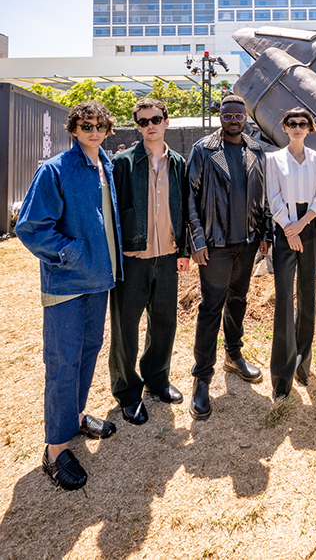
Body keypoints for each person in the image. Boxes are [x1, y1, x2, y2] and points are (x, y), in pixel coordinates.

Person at [15, 100, 122, 491]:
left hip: (98, 280)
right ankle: (55, 449)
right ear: (74, 129)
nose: (94, 131)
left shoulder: (106, 165)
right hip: (66, 283)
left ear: (108, 130)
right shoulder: (55, 169)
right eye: (86, 125)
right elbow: (31, 227)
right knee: (63, 362)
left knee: (88, 351)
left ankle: (75, 419)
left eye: (100, 125)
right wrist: (71, 254)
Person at [186, 95, 272, 420]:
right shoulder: (204, 150)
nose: (233, 120)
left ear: (246, 118)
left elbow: (264, 195)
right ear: (220, 117)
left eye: (238, 115)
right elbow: (190, 197)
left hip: (246, 242)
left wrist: (265, 233)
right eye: (227, 115)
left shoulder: (256, 150)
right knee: (211, 308)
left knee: (238, 300)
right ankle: (201, 378)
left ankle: (233, 356)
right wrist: (197, 240)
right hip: (215, 244)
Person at [109, 98, 189, 426]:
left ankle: (157, 379)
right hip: (133, 259)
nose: (150, 125)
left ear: (166, 121)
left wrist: (184, 251)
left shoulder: (179, 163)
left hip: (168, 256)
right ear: (137, 126)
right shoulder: (123, 163)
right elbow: (112, 212)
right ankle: (128, 392)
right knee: (125, 327)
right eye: (143, 121)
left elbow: (185, 208)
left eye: (156, 119)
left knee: (164, 323)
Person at [267, 108, 316, 401]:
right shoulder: (274, 160)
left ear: (309, 128)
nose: (297, 127)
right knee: (284, 297)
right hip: (284, 227)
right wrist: (289, 230)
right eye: (291, 123)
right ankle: (282, 375)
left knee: (307, 292)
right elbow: (273, 197)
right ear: (284, 127)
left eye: (303, 123)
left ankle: (303, 362)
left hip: (310, 224)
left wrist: (302, 225)